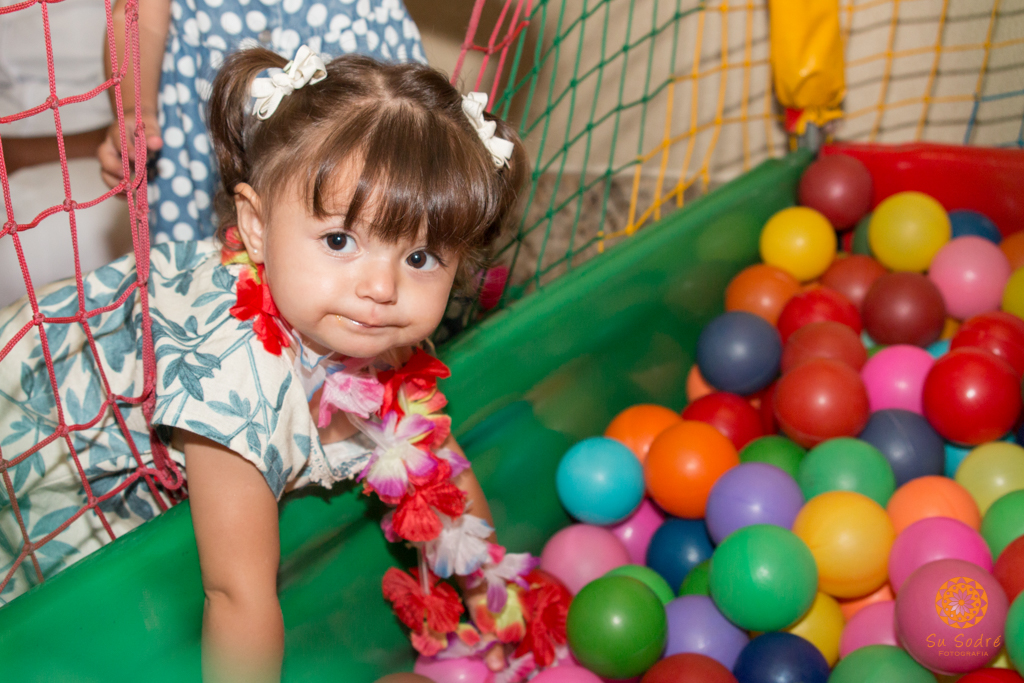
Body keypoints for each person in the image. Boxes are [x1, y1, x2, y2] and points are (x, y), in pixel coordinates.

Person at [0, 47, 534, 681]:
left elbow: (437, 462)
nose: (382, 286)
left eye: (421, 258)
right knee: (86, 632)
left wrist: (494, 598)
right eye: (340, 241)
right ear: (255, 226)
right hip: (41, 452)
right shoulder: (235, 383)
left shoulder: (355, 316)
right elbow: (236, 595)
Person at [96, 0, 427, 243]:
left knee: (369, 227)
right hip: (200, 124)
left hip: (354, 81)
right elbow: (137, 18)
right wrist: (134, 112)